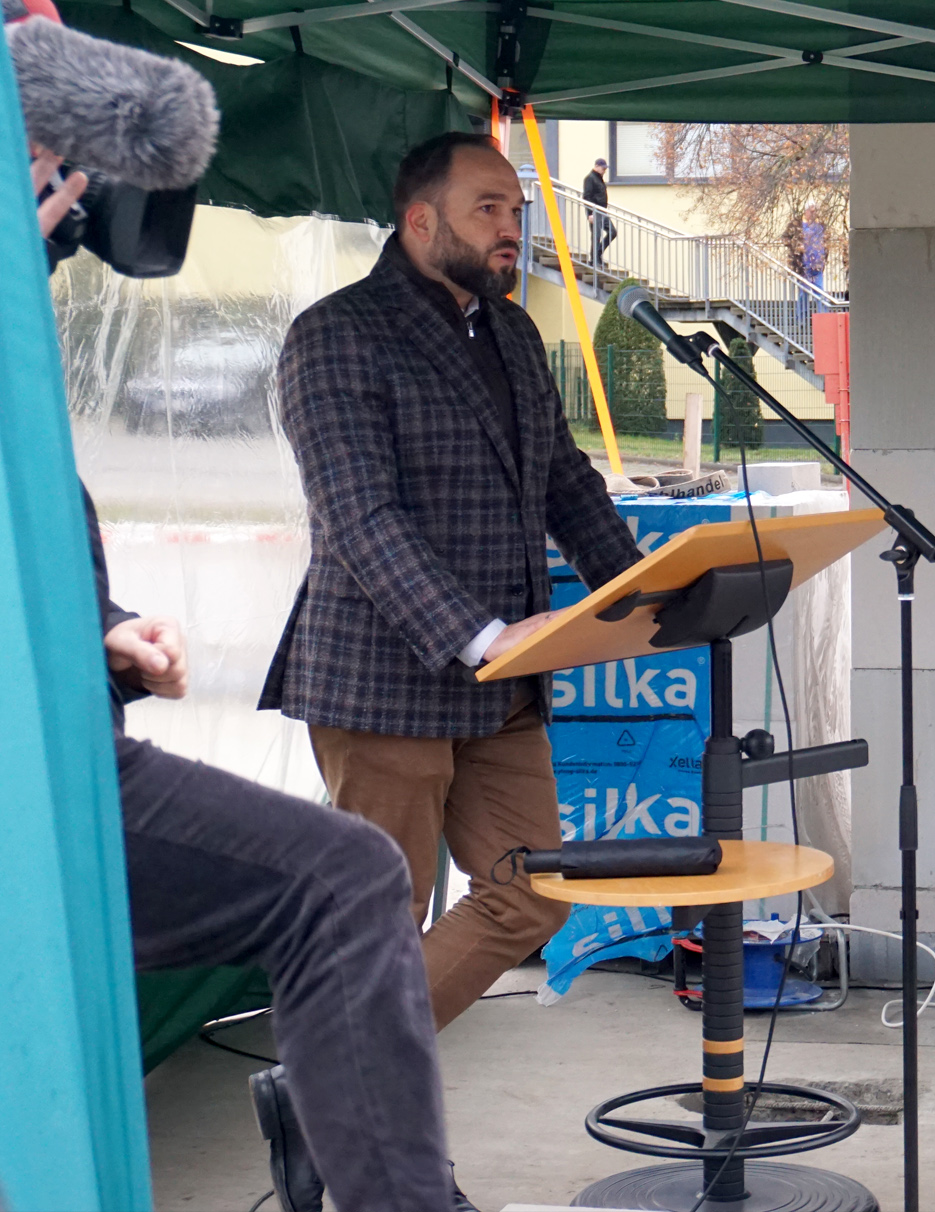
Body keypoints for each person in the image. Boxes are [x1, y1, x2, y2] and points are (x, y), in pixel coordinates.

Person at [25, 141, 460, 1211]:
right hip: (37, 781)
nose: (67, 190)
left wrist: (106, 633)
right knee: (343, 880)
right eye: (38, 156)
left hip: (61, 743)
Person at [261, 132, 642, 1033]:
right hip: (383, 682)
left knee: (535, 893)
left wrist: (643, 589)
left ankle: (332, 1058)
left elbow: (563, 481)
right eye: (488, 209)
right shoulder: (336, 334)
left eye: (516, 210)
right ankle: (362, 1107)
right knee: (379, 923)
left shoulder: (512, 330)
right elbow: (359, 516)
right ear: (421, 221)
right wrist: (480, 634)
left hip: (504, 684)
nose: (512, 228)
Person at [583, 156, 613, 265]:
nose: (604, 171)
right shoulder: (590, 178)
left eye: (605, 169)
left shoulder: (599, 178)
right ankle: (594, 260)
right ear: (596, 166)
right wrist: (590, 214)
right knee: (596, 235)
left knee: (612, 232)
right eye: (603, 168)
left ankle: (598, 253)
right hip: (595, 211)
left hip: (602, 211)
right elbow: (587, 197)